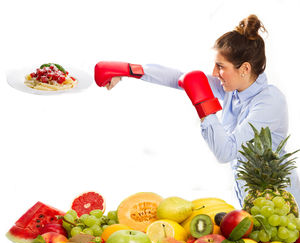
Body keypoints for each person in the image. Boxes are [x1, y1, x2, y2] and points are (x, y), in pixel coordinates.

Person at [94, 14, 300, 207]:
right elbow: (180, 79)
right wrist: (127, 70)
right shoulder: (234, 89)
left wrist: (204, 106)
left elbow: (226, 151)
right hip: (251, 201)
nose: (214, 73)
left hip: (282, 207)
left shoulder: (269, 102)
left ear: (244, 69)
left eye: (221, 66)